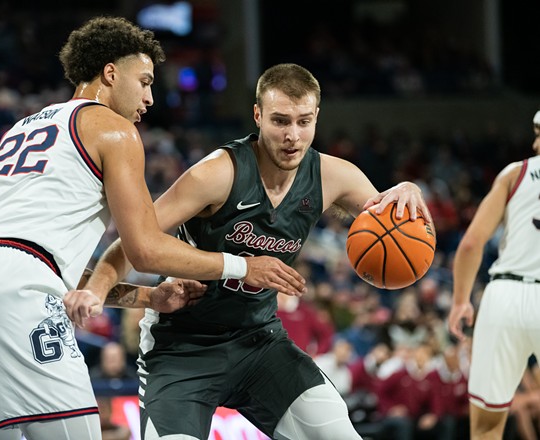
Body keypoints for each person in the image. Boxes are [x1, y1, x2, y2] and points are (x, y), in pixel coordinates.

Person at [0, 16, 306, 440]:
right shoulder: (115, 130)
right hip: (12, 285)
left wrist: (148, 297)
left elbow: (28, 257)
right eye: (144, 81)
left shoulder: (25, 125)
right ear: (111, 73)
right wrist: (241, 267)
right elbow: (144, 249)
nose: (149, 97)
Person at [69, 63, 433, 439]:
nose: (293, 135)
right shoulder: (217, 173)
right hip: (182, 348)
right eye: (280, 121)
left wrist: (409, 189)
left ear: (317, 118)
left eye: (303, 121)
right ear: (257, 116)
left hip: (259, 343)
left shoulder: (333, 174)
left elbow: (398, 231)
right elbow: (133, 242)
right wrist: (95, 291)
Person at [448, 109, 540, 439]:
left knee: (487, 423)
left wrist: (461, 300)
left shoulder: (515, 174)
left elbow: (472, 242)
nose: (534, 142)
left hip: (505, 296)